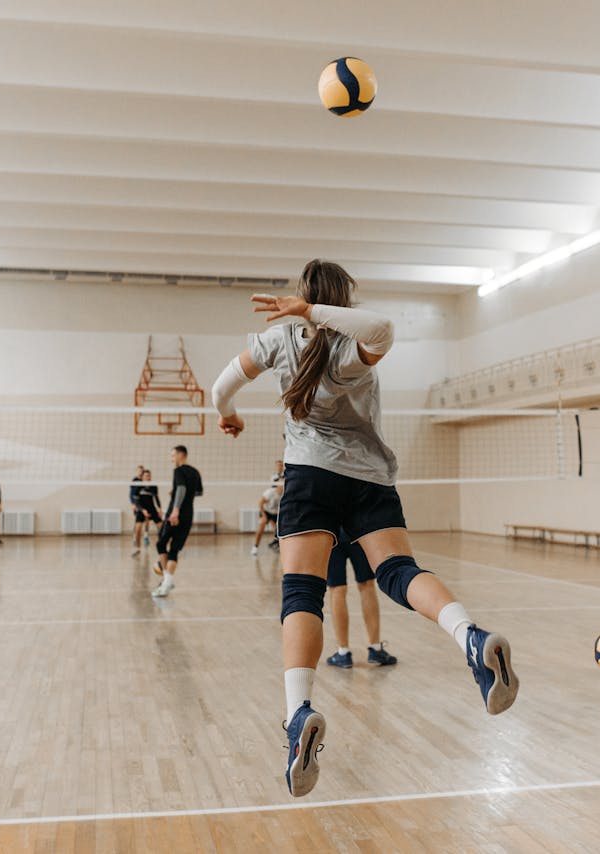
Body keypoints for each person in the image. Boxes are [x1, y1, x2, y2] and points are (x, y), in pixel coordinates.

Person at [211, 259, 517, 798]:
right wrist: (315, 313)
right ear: (345, 297)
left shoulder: (278, 339)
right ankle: (470, 637)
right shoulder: (355, 346)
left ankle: (298, 713)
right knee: (399, 572)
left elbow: (220, 387)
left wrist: (229, 412)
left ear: (306, 295)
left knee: (301, 593)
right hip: (369, 479)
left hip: (308, 475)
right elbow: (383, 330)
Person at [325, 530, 398, 668]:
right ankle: (376, 649)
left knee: (337, 589)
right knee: (367, 586)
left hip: (332, 532)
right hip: (357, 531)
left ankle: (343, 653)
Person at [152, 445, 202, 598]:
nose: (171, 459)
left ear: (181, 455)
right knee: (174, 549)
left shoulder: (178, 471)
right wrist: (178, 494)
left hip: (176, 515)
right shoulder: (195, 472)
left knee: (161, 544)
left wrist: (175, 510)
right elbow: (198, 492)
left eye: (173, 455)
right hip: (188, 515)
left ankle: (167, 580)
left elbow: (181, 488)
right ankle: (168, 582)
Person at [132, 469, 162, 556]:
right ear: (142, 477)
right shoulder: (137, 486)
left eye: (149, 476)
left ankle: (164, 547)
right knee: (138, 528)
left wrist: (160, 509)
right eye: (146, 476)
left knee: (163, 527)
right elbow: (136, 501)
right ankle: (137, 549)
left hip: (151, 508)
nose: (147, 477)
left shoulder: (153, 486)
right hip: (142, 509)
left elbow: (156, 498)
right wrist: (142, 510)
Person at [251, 479, 282, 556]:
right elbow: (260, 503)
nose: (282, 485)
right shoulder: (270, 492)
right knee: (262, 525)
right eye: (281, 483)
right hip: (266, 511)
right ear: (277, 484)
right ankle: (255, 547)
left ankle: (276, 544)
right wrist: (264, 516)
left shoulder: (285, 493)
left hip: (276, 513)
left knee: (277, 530)